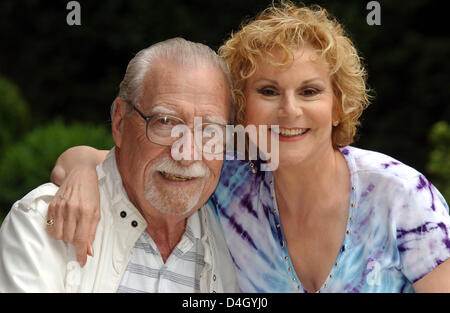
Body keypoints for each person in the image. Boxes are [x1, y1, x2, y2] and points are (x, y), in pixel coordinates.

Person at [45, 2, 450, 292]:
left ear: (339, 105)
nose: (289, 111)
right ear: (241, 107)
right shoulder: (228, 181)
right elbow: (109, 160)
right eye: (268, 91)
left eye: (309, 91)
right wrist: (82, 175)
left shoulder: (401, 198)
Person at [0, 38, 239, 292]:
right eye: (166, 122)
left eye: (210, 130)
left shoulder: (235, 243)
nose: (187, 154)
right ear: (119, 122)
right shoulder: (43, 224)